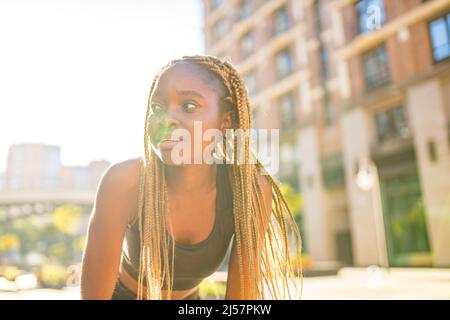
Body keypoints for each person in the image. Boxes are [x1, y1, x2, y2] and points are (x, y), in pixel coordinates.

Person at [80, 55, 302, 300]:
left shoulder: (249, 190)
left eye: (189, 105)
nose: (166, 118)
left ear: (225, 121)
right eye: (157, 107)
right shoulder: (124, 181)